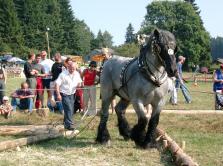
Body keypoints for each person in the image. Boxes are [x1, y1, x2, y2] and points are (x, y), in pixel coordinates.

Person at [55, 62, 82, 130]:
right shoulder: (62, 74)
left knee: (70, 109)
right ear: (68, 67)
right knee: (69, 108)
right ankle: (70, 125)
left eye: (73, 68)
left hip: (72, 94)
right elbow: (57, 84)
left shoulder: (77, 73)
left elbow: (79, 82)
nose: (72, 70)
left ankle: (65, 122)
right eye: (71, 68)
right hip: (64, 94)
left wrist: (79, 84)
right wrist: (58, 94)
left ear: (75, 68)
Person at [101, 48, 116, 113]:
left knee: (112, 97)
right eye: (102, 55)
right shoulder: (103, 61)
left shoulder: (112, 60)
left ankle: (113, 111)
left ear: (108, 54)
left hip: (111, 82)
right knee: (104, 97)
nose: (103, 56)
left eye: (104, 54)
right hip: (104, 82)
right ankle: (104, 111)